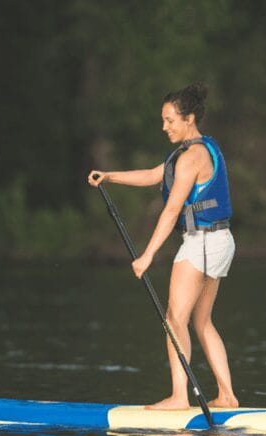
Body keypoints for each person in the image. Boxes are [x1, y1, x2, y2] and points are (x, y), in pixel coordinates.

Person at [87, 83, 239, 410]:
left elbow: (171, 210)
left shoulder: (192, 157)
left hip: (201, 244)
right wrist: (110, 176)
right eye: (163, 120)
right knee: (201, 321)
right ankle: (227, 395)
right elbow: (155, 174)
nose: (164, 126)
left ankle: (179, 398)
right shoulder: (197, 149)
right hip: (220, 241)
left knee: (173, 319)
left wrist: (147, 256)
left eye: (170, 120)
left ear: (189, 118)